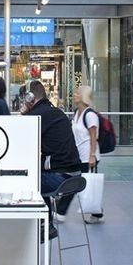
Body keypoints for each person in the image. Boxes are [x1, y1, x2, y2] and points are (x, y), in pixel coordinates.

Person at [25, 80, 81, 231]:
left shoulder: (36, 115)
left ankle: (44, 225)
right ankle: (46, 222)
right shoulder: (56, 112)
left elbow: (20, 140)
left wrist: (25, 114)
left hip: (61, 177)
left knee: (27, 181)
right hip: (75, 176)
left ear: (30, 98)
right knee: (39, 174)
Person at [71, 85, 103, 223]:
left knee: (88, 185)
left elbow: (93, 136)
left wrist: (92, 155)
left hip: (88, 156)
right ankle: (97, 212)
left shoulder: (90, 115)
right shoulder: (77, 113)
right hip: (79, 155)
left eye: (78, 93)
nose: (74, 95)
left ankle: (96, 212)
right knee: (85, 184)